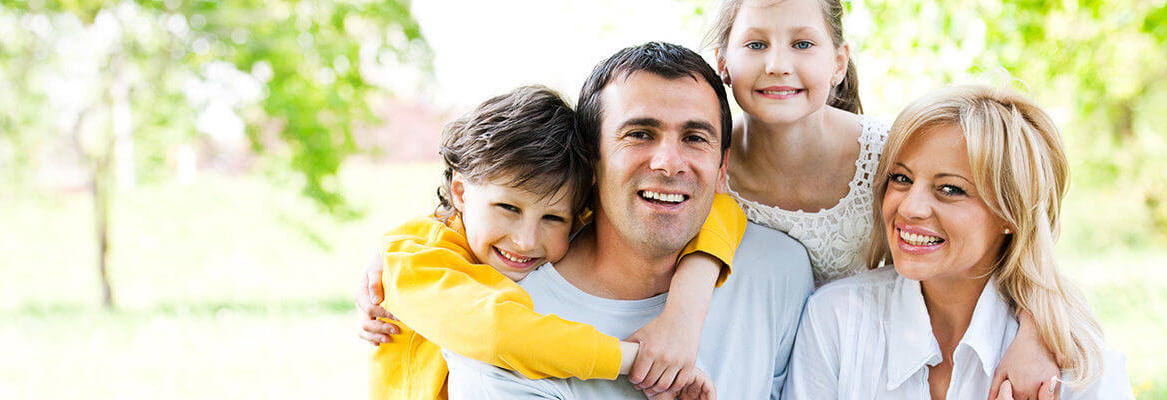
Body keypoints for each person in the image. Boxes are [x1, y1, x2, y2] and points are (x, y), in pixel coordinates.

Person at [705, 0, 1059, 394]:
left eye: (802, 44)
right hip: (745, 367)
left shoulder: (891, 160)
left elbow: (1021, 245)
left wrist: (1035, 333)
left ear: (839, 63)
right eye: (755, 44)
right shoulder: (704, 166)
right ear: (722, 61)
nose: (777, 64)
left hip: (865, 368)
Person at [443, 41, 813, 399]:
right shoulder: (505, 330)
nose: (669, 163)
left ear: (722, 167)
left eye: (695, 137)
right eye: (639, 134)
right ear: (591, 160)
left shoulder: (780, 269)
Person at [367, 84, 744, 399]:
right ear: (461, 193)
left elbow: (722, 209)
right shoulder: (415, 259)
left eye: (551, 218)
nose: (526, 240)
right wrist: (642, 360)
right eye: (508, 208)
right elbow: (501, 333)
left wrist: (683, 311)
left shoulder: (572, 217)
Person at [782, 85, 1134, 399]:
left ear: (1010, 215)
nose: (910, 207)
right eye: (901, 178)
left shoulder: (1080, 366)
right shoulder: (835, 320)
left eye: (950, 189)